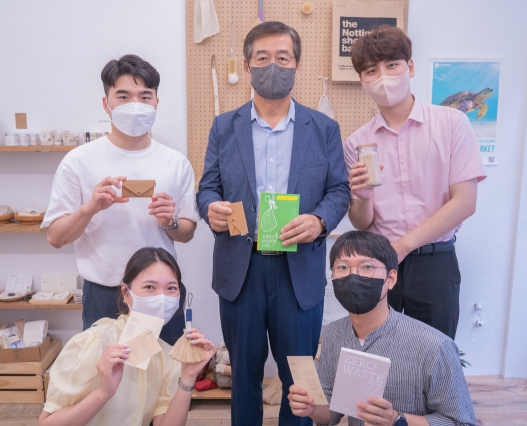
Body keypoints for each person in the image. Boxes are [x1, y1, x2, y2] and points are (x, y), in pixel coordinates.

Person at [197, 21, 350, 426]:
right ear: (247, 66)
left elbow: (340, 190)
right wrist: (210, 208)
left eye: (283, 58)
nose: (273, 66)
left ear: (296, 64)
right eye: (262, 58)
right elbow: (207, 188)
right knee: (241, 375)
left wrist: (320, 221)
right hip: (239, 270)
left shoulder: (324, 129)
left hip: (298, 271)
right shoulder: (223, 127)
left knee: (298, 380)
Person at [343, 26, 487, 339]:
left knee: (435, 358)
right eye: (371, 70)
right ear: (362, 81)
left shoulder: (451, 124)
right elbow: (361, 221)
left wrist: (403, 246)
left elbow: (465, 202)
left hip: (435, 261)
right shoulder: (357, 142)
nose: (382, 76)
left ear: (410, 67)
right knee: (378, 355)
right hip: (379, 262)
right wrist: (363, 198)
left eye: (391, 65)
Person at [42, 54, 200, 338]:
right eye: (124, 96)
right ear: (106, 103)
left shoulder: (175, 162)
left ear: (156, 102)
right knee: (107, 377)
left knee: (164, 375)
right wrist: (89, 208)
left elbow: (187, 233)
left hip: (161, 293)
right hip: (104, 293)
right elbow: (55, 237)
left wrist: (170, 222)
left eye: (145, 96)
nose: (135, 106)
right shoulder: (78, 161)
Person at [288, 231, 476, 426]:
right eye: (342, 267)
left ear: (391, 278)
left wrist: (397, 420)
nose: (354, 275)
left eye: (367, 266)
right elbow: (331, 413)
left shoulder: (435, 346)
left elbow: (461, 422)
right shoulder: (334, 334)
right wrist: (311, 407)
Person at [39, 247, 216, 426]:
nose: (162, 298)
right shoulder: (93, 342)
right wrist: (103, 393)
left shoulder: (169, 359)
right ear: (126, 293)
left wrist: (187, 378)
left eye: (171, 288)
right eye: (150, 287)